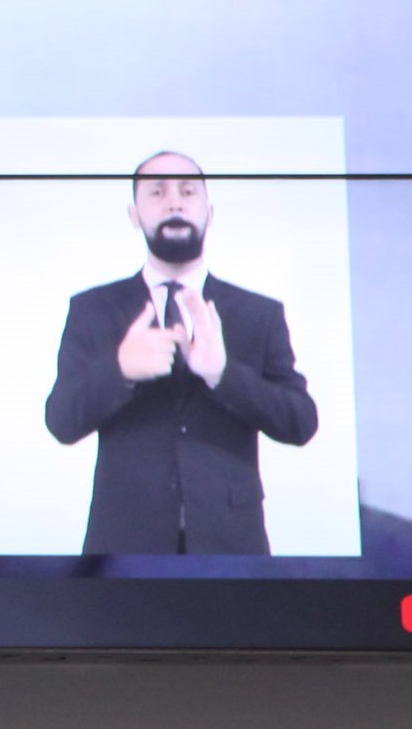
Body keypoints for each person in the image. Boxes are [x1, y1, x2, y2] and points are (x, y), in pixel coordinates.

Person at [43, 151, 319, 556]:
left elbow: (301, 422)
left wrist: (224, 375)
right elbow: (61, 421)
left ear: (210, 212)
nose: (174, 202)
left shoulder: (258, 313)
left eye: (188, 192)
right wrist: (120, 369)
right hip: (124, 546)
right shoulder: (93, 309)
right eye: (157, 192)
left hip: (231, 547)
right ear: (134, 215)